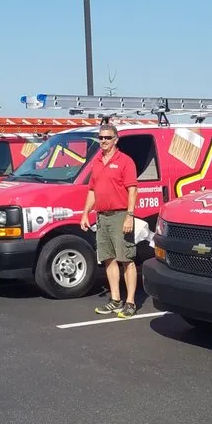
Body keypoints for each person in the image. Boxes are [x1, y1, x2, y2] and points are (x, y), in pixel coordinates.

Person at [80, 123, 138, 317]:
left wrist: (130, 216)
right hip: (102, 217)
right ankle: (115, 299)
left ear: (115, 139)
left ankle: (130, 302)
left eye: (107, 137)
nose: (103, 141)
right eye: (101, 137)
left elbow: (132, 190)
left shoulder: (125, 161)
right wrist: (85, 213)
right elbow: (92, 190)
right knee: (109, 259)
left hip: (120, 216)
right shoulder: (96, 162)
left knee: (126, 259)